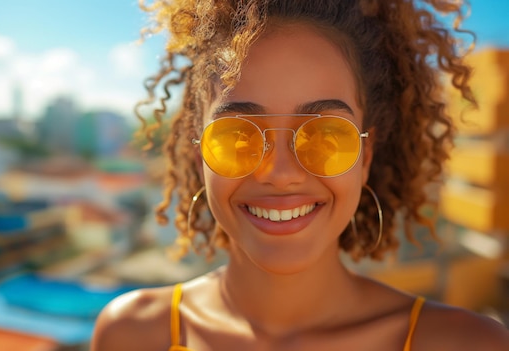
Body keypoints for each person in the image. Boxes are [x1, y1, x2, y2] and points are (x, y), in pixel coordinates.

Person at [91, 0, 509, 350]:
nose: (281, 173)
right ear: (198, 150)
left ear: (365, 155)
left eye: (326, 135)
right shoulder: (133, 335)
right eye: (238, 136)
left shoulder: (467, 344)